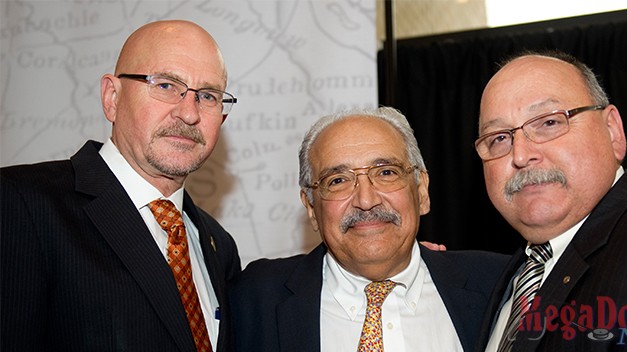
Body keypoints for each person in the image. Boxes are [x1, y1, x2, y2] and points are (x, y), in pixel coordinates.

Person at [1, 20, 241, 352]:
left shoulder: (218, 245)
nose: (189, 112)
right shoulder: (21, 205)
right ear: (112, 98)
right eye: (166, 85)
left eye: (208, 95)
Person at [228, 106, 509, 352]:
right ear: (312, 208)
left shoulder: (501, 284)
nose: (366, 200)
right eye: (337, 180)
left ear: (421, 191)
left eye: (386, 173)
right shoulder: (254, 299)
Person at [473, 49, 627, 351]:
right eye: (499, 138)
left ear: (612, 131)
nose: (521, 154)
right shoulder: (502, 280)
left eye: (549, 122)